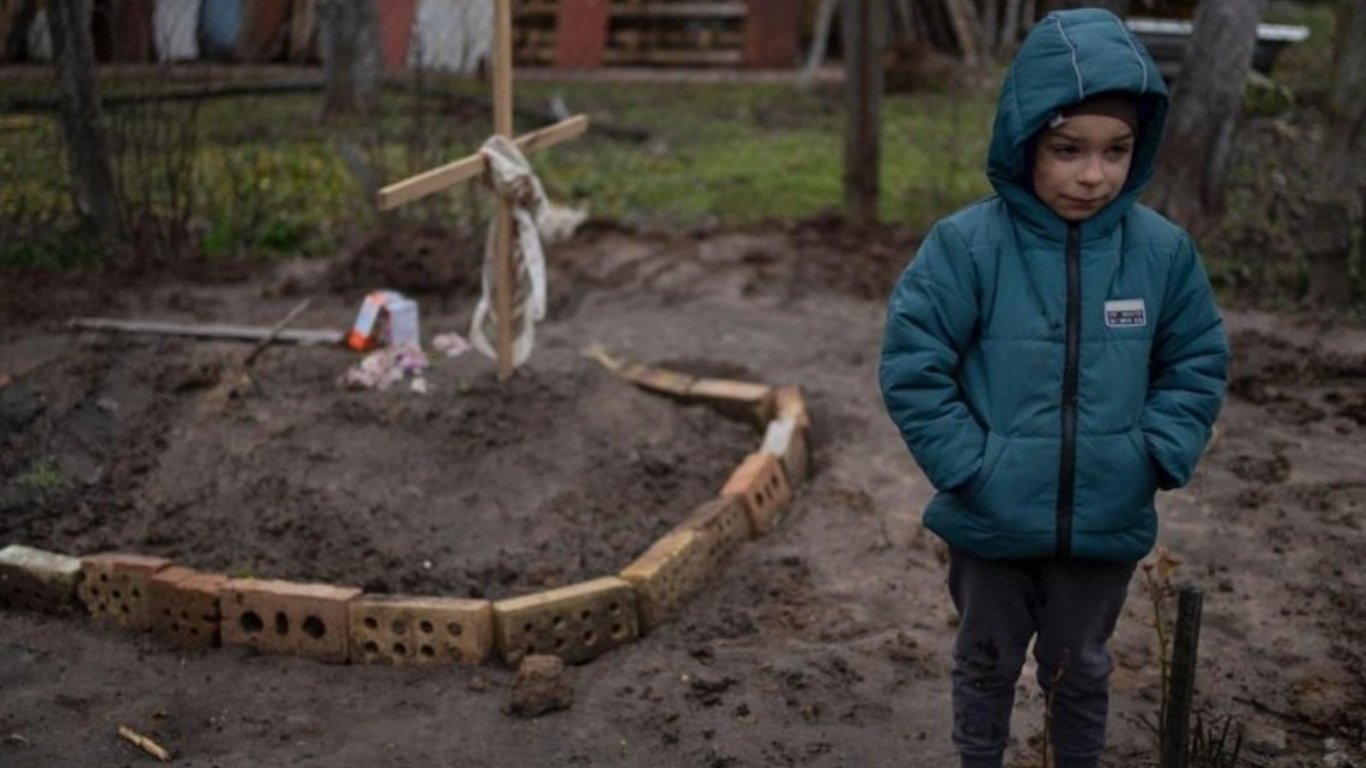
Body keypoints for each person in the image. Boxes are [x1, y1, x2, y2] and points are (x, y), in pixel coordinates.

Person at [878, 8, 1229, 768]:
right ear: (1024, 141)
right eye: (1068, 150)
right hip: (991, 522)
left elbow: (1196, 361)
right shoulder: (966, 247)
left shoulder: (1162, 254)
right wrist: (972, 467)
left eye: (1116, 150)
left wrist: (1151, 455)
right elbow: (914, 364)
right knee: (985, 663)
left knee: (1082, 669)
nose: (1093, 175)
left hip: (1105, 519)